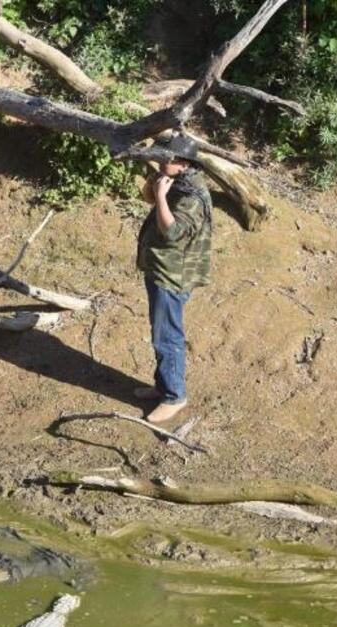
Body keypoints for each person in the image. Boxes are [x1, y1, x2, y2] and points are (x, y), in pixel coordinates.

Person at [134, 133, 213, 424]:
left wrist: (163, 197)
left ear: (182, 163)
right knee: (160, 331)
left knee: (167, 336)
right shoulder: (174, 180)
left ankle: (174, 396)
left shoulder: (192, 196)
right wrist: (156, 186)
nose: (159, 160)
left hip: (172, 275)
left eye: (165, 158)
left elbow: (172, 231)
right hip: (160, 268)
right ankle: (162, 385)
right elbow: (146, 198)